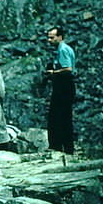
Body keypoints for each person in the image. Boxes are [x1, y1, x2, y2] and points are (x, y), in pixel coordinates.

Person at [45, 26, 76, 154]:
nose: (49, 40)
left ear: (60, 37)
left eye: (52, 37)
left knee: (57, 116)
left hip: (64, 86)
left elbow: (68, 69)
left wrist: (54, 72)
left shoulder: (63, 50)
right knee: (64, 116)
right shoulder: (64, 49)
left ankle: (58, 146)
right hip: (65, 86)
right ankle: (66, 146)